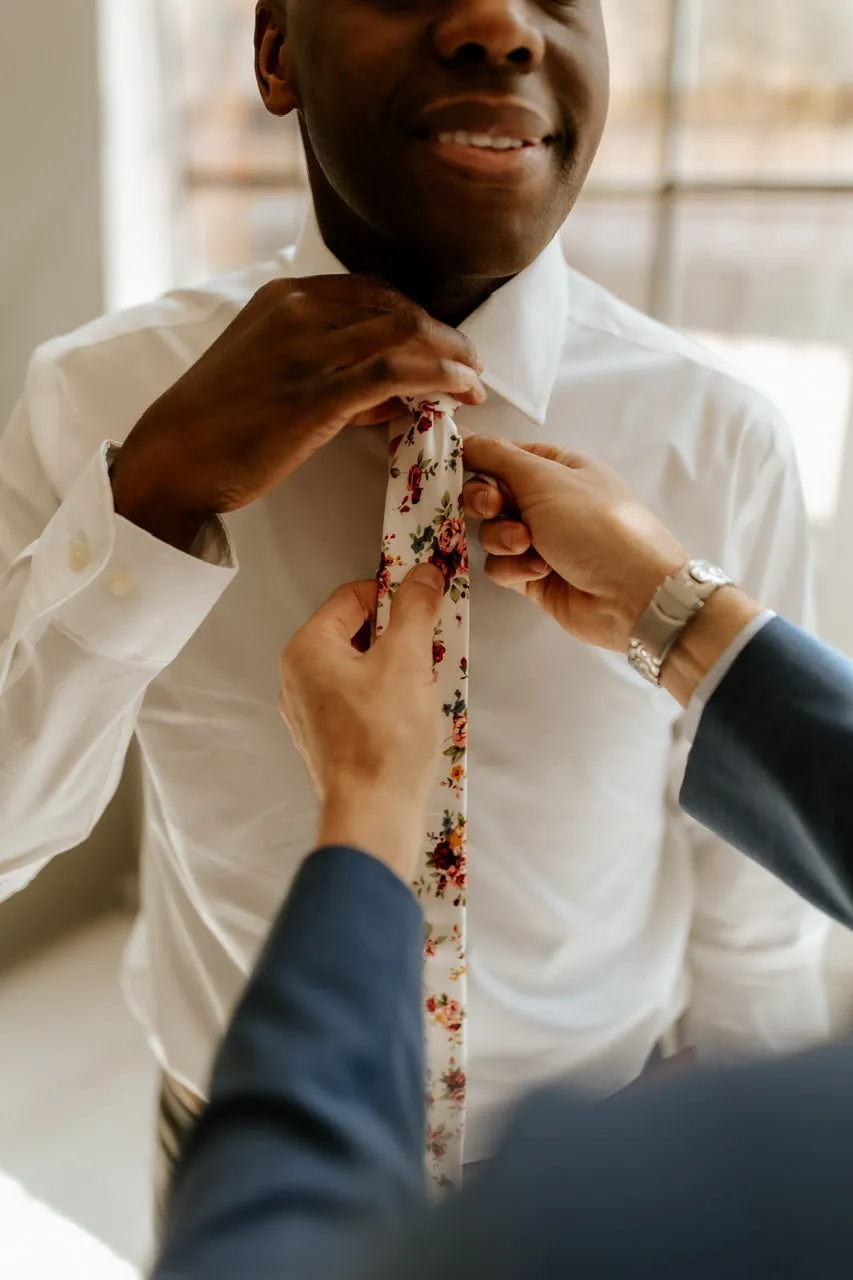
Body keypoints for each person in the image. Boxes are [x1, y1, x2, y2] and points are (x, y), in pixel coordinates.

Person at [0, 0, 828, 1204]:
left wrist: (744, 1163)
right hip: (246, 1153)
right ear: (274, 50)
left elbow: (748, 880)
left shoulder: (717, 436)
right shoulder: (99, 401)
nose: (500, 20)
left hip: (596, 1162)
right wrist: (151, 500)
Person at [153, 438, 853, 1279]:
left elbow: (264, 1259)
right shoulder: (112, 402)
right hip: (205, 1108)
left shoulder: (722, 434)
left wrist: (371, 799)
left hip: (562, 1171)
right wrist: (677, 613)